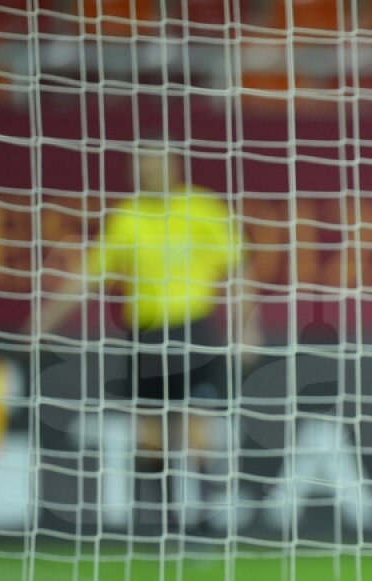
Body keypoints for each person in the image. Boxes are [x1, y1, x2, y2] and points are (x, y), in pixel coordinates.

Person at [30, 134, 258, 533]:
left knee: (196, 432)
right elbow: (88, 276)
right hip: (146, 336)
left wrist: (247, 328)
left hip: (194, 331)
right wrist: (42, 323)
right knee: (150, 437)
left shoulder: (203, 208)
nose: (146, 170)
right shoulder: (127, 217)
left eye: (154, 162)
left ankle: (204, 528)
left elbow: (238, 270)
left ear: (175, 166)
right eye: (140, 163)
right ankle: (163, 525)